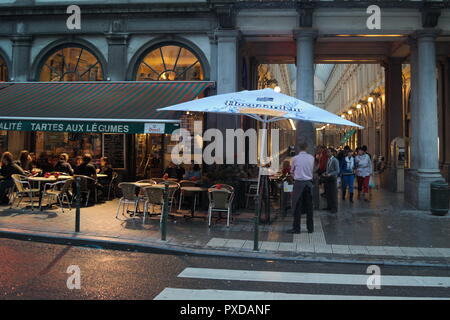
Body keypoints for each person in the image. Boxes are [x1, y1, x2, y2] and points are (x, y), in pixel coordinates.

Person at [287, 142, 315, 234]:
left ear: (299, 148)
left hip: (298, 184)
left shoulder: (295, 158)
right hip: (308, 184)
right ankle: (310, 228)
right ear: (306, 148)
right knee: (309, 207)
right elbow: (312, 169)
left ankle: (296, 229)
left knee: (297, 207)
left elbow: (291, 171)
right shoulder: (311, 158)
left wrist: (294, 174)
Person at [323, 148, 339, 213]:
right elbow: (328, 169)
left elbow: (337, 171)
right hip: (328, 178)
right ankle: (329, 206)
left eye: (329, 152)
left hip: (333, 178)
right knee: (328, 193)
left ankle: (334, 208)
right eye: (327, 152)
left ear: (332, 153)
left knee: (333, 194)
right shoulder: (328, 160)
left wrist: (330, 174)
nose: (327, 153)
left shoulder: (335, 160)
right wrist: (325, 173)